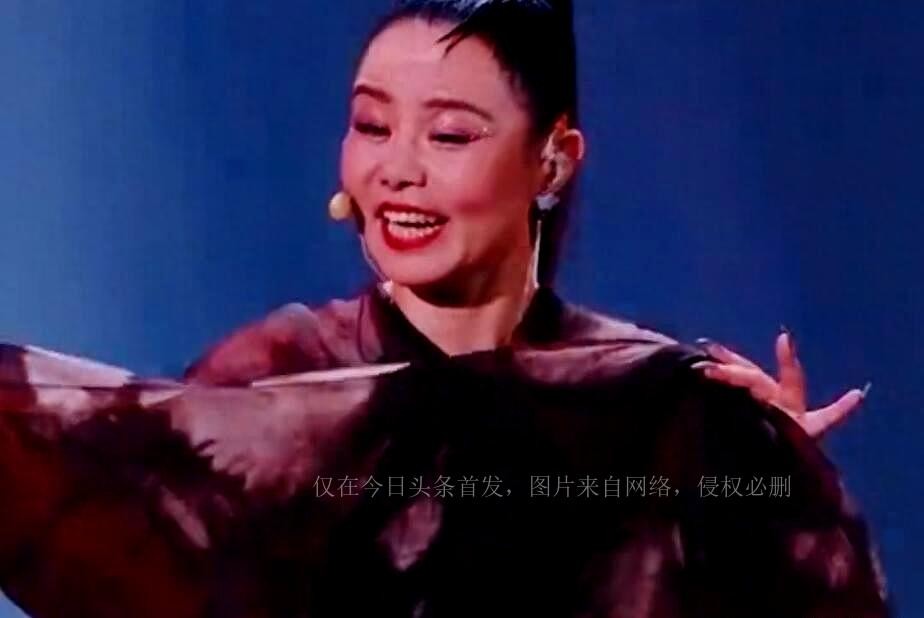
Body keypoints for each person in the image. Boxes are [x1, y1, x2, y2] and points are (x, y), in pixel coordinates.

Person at [0, 1, 888, 616]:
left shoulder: (651, 408)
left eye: (450, 134)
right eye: (372, 125)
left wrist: (764, 482)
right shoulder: (281, 376)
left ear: (553, 161)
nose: (397, 169)